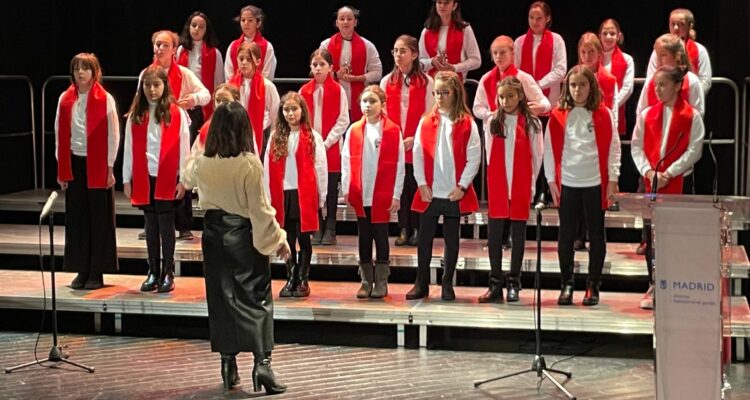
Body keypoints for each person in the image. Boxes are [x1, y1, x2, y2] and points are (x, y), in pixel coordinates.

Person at [182, 101, 290, 395]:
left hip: (214, 236)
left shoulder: (203, 163)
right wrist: (279, 241)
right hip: (243, 236)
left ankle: (228, 365)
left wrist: (199, 146)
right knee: (256, 299)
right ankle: (262, 365)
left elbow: (186, 177)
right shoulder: (249, 164)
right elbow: (261, 211)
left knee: (221, 300)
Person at [543, 66, 621, 306]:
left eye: (583, 85)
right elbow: (548, 150)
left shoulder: (603, 113)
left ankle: (593, 285)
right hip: (568, 182)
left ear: (591, 87)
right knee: (565, 236)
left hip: (595, 182)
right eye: (573, 85)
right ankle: (567, 283)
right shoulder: (558, 113)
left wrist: (613, 178)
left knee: (596, 236)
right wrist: (551, 181)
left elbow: (614, 148)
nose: (577, 90)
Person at [631, 65, 704, 309]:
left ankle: (675, 284)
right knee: (652, 237)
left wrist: (670, 173)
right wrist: (649, 171)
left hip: (679, 181)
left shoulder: (691, 116)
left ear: (676, 85)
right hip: (652, 181)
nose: (658, 89)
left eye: (662, 84)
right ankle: (654, 284)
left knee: (675, 237)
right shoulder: (647, 114)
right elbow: (636, 146)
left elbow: (695, 149)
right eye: (655, 85)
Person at [406, 71, 480, 301]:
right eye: (436, 92)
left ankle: (447, 282)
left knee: (451, 240)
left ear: (455, 93)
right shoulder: (426, 121)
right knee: (424, 240)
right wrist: (421, 183)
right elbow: (417, 153)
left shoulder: (466, 122)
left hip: (452, 193)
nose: (439, 97)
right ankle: (421, 283)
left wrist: (462, 186)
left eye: (444, 93)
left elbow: (474, 156)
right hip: (430, 192)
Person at [123, 65, 190, 293]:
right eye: (148, 85)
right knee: (150, 225)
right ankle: (152, 270)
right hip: (144, 176)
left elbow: (184, 148)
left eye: (156, 85)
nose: (152, 90)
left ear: (165, 86)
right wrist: (126, 179)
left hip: (168, 176)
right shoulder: (136, 115)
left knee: (166, 224)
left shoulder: (176, 113)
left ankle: (167, 272)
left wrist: (185, 180)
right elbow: (129, 148)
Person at [55, 53, 119, 290]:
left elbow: (114, 134)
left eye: (85, 68)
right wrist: (62, 168)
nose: (80, 73)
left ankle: (96, 271)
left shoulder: (105, 99)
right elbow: (59, 134)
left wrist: (110, 165)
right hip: (75, 162)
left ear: (94, 72)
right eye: (76, 68)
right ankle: (81, 268)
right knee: (78, 218)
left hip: (98, 163)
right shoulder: (65, 98)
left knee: (99, 218)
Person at [141, 29, 210, 241]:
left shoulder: (184, 73)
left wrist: (193, 100)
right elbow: (139, 101)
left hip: (176, 129)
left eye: (164, 45)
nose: (159, 48)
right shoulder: (146, 74)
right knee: (151, 173)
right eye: (157, 44)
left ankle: (183, 224)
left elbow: (206, 95)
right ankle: (150, 222)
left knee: (181, 173)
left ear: (173, 50)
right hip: (153, 131)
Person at [478, 76, 543, 303]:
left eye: (510, 96)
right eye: (502, 97)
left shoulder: (532, 123)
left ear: (520, 96)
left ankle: (514, 281)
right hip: (498, 184)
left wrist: (531, 185)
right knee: (494, 235)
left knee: (518, 234)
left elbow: (537, 157)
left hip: (521, 184)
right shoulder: (492, 122)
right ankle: (495, 282)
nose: (505, 101)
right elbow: (489, 155)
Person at [342, 85, 405, 299]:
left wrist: (396, 194)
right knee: (364, 236)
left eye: (373, 101)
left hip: (382, 193)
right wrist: (346, 187)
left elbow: (399, 165)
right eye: (364, 101)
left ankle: (381, 280)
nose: (367, 106)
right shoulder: (353, 130)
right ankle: (366, 280)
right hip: (362, 191)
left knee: (381, 236)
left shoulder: (392, 130)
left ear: (383, 105)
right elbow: (346, 162)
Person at [264, 92, 327, 298]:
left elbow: (320, 167)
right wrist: (266, 196)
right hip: (283, 194)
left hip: (305, 194)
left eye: (294, 109)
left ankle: (303, 277)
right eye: (286, 110)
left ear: (302, 111)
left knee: (304, 238)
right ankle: (291, 276)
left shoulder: (312, 136)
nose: (290, 113)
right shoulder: (275, 136)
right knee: (287, 238)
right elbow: (267, 167)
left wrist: (322, 197)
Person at [380, 34, 434, 247]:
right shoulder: (387, 81)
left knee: (416, 184)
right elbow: (382, 113)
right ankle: (403, 228)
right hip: (396, 143)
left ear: (414, 54)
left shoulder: (427, 82)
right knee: (399, 186)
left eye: (403, 51)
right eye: (395, 51)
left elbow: (431, 114)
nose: (398, 55)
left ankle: (418, 229)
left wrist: (416, 138)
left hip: (419, 142)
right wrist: (394, 138)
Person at [300, 49, 350, 246]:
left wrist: (327, 142)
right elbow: (300, 118)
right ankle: (317, 225)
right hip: (310, 146)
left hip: (330, 147)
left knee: (329, 188)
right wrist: (311, 140)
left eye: (322, 64)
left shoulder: (339, 90)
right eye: (315, 65)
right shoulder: (304, 91)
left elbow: (343, 119)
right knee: (313, 188)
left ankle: (331, 226)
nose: (318, 68)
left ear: (331, 68)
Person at [319, 5, 383, 122]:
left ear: (355, 22)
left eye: (349, 18)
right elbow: (318, 73)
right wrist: (336, 75)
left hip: (359, 100)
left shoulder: (367, 46)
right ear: (336, 23)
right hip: (332, 98)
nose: (345, 22)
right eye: (342, 18)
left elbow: (378, 72)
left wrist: (358, 78)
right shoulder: (325, 45)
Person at [228, 42, 280, 157]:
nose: (244, 62)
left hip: (261, 134)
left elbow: (275, 114)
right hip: (235, 133)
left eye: (248, 59)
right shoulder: (230, 86)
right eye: (241, 59)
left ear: (257, 61)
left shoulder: (267, 86)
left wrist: (273, 138)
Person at [636, 33, 705, 118]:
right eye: (657, 55)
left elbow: (698, 116)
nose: (658, 60)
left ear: (677, 56)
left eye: (663, 55)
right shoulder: (651, 81)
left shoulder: (692, 82)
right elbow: (640, 113)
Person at [514, 1, 567, 109]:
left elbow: (560, 70)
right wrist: (528, 87)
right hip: (524, 97)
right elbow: (515, 69)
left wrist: (538, 85)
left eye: (539, 18)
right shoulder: (519, 42)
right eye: (531, 17)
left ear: (547, 18)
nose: (534, 22)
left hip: (550, 99)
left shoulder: (557, 40)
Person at [646, 8, 712, 94]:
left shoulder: (700, 50)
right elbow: (651, 76)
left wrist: (690, 96)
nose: (676, 28)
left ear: (690, 26)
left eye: (681, 24)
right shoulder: (658, 50)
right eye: (672, 24)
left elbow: (705, 81)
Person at [177, 11, 225, 126]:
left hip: (205, 104)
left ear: (206, 30)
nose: (196, 29)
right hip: (184, 102)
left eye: (201, 27)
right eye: (194, 25)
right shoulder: (180, 50)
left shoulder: (214, 53)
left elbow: (219, 83)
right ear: (188, 27)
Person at [418, 0, 481, 81]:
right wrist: (431, 62)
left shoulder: (464, 29)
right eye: (439, 2)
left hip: (457, 84)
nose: (442, 6)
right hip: (432, 85)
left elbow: (476, 61)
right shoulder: (426, 31)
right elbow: (419, 63)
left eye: (446, 3)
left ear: (454, 6)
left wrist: (455, 68)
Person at [598, 18, 634, 136]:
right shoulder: (591, 56)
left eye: (612, 34)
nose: (608, 37)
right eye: (605, 33)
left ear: (619, 36)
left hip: (615, 111)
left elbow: (627, 88)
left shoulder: (627, 59)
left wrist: (610, 107)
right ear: (599, 36)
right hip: (592, 111)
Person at [225, 4, 277, 80]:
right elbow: (229, 74)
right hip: (237, 89)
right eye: (243, 20)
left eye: (250, 20)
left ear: (258, 23)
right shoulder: (233, 46)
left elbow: (268, 75)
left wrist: (253, 87)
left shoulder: (267, 47)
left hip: (259, 89)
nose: (246, 23)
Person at [191, 83, 241, 158]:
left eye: (225, 100)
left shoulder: (242, 127)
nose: (221, 104)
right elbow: (195, 155)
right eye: (218, 100)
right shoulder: (206, 129)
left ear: (236, 101)